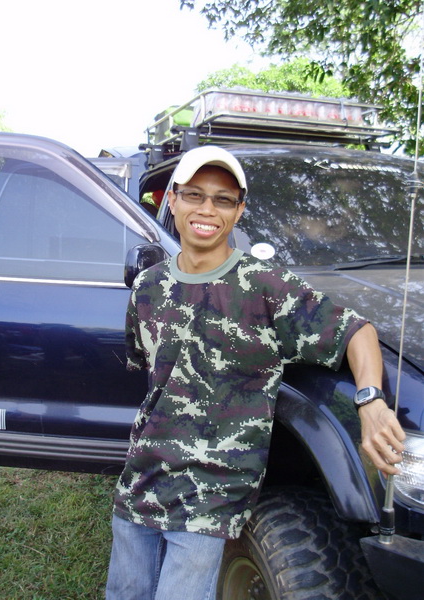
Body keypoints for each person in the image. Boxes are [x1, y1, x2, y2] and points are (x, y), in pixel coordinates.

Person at [106, 146, 406, 600]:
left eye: (223, 199)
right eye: (194, 195)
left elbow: (356, 331)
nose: (207, 209)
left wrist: (371, 401)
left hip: (211, 490)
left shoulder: (267, 287)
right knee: (125, 593)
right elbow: (150, 374)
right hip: (142, 477)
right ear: (173, 200)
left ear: (239, 210)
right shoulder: (148, 287)